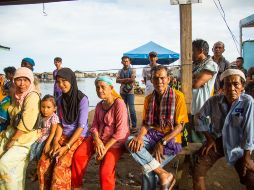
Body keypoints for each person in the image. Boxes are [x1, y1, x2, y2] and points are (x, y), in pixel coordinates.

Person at [126, 65, 188, 190]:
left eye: (162, 78)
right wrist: (139, 137)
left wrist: (162, 142)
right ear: (151, 81)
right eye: (155, 79)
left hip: (171, 138)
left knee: (148, 170)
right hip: (152, 135)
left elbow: (180, 126)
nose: (159, 82)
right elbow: (146, 123)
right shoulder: (149, 98)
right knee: (130, 141)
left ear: (168, 79)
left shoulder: (178, 96)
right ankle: (164, 174)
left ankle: (161, 175)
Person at [193, 69, 254, 190]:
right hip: (217, 141)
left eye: (236, 84)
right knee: (197, 170)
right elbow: (199, 117)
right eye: (227, 84)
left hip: (239, 144)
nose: (231, 88)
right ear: (222, 87)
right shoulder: (214, 100)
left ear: (242, 87)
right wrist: (209, 138)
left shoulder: (248, 102)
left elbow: (249, 130)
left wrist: (247, 157)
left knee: (251, 177)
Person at [71, 76, 130, 190]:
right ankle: (76, 186)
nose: (100, 90)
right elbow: (94, 126)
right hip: (99, 139)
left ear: (111, 88)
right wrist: (97, 140)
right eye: (97, 87)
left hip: (114, 143)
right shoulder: (99, 105)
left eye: (103, 87)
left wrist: (104, 149)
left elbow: (121, 131)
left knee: (105, 171)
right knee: (78, 155)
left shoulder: (119, 104)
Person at [38, 68, 89, 190]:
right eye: (58, 82)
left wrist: (66, 147)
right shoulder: (60, 100)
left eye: (64, 81)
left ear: (71, 80)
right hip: (62, 135)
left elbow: (81, 126)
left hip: (78, 136)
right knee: (44, 161)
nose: (61, 85)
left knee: (60, 165)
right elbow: (60, 124)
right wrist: (55, 142)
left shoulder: (82, 99)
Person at [0, 67, 41, 190]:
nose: (22, 84)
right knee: (15, 171)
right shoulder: (16, 95)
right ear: (14, 80)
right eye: (18, 80)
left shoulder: (32, 96)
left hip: (25, 137)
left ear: (31, 81)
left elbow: (27, 123)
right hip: (11, 132)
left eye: (25, 80)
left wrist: (12, 140)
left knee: (5, 165)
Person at [191, 39, 218, 143]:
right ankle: (191, 158)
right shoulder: (195, 65)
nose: (191, 53)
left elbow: (196, 84)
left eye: (193, 50)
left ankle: (200, 158)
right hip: (192, 105)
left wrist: (193, 79)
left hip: (201, 106)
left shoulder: (211, 65)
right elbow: (181, 77)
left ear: (200, 50)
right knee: (191, 136)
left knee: (201, 137)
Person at [29, 95, 60, 182]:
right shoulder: (40, 115)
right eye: (43, 107)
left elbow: (53, 133)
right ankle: (36, 168)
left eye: (48, 107)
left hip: (47, 138)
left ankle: (38, 172)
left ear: (54, 108)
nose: (45, 110)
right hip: (39, 136)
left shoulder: (54, 118)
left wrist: (47, 144)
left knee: (39, 151)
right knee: (33, 150)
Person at [116, 56, 137, 132]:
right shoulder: (119, 71)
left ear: (129, 62)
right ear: (122, 62)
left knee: (132, 109)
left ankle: (134, 126)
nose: (126, 62)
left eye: (127, 61)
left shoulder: (133, 70)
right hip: (122, 92)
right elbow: (116, 81)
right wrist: (127, 79)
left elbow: (132, 79)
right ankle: (126, 125)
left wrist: (122, 80)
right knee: (124, 110)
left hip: (130, 92)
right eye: (124, 61)